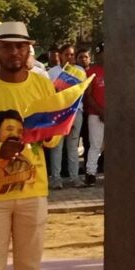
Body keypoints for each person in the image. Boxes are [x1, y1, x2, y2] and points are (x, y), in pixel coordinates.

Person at [0, 21, 63, 270]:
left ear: (29, 49)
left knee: (30, 266)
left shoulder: (42, 85)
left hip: (33, 192)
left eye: (20, 46)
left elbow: (54, 136)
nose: (14, 52)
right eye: (7, 47)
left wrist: (49, 133)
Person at [46, 43, 87, 189]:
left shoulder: (80, 70)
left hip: (76, 112)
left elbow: (83, 90)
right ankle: (56, 179)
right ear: (60, 56)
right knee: (57, 147)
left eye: (72, 54)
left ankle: (74, 178)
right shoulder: (52, 73)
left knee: (73, 147)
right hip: (59, 113)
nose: (69, 57)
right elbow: (49, 93)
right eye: (66, 54)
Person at [83, 43, 105, 186]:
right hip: (96, 115)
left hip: (114, 115)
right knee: (95, 145)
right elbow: (88, 95)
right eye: (102, 53)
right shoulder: (91, 71)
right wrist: (100, 111)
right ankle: (90, 173)